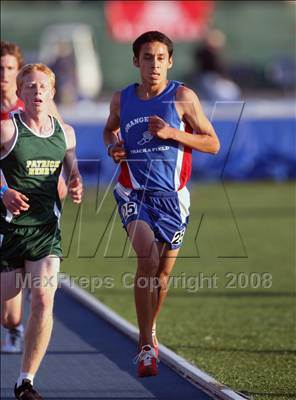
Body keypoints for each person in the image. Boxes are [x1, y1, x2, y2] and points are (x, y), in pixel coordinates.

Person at [103, 31, 220, 377]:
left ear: (169, 61)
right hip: (133, 191)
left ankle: (150, 329)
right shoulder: (122, 99)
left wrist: (173, 133)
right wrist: (113, 148)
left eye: (160, 58)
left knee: (162, 275)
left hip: (173, 197)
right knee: (147, 259)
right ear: (136, 61)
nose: (153, 64)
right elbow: (110, 131)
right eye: (147, 58)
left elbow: (212, 143)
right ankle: (144, 347)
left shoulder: (182, 97)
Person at [0, 63, 83, 399]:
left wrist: (76, 182)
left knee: (44, 301)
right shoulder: (7, 129)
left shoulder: (67, 133)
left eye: (43, 87)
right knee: (9, 315)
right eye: (30, 86)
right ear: (20, 94)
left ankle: (26, 381)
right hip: (7, 233)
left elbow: (72, 167)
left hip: (46, 233)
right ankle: (10, 327)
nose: (37, 92)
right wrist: (3, 191)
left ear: (52, 92)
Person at [0, 41, 67, 354]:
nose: (3, 74)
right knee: (8, 306)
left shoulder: (37, 102)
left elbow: (58, 145)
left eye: (9, 68)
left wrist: (67, 177)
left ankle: (14, 331)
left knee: (15, 313)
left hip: (31, 218)